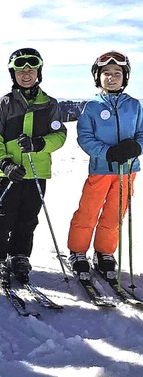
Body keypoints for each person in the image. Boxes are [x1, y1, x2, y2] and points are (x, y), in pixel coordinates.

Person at [0, 48, 66, 286]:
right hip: (9, 171)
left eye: (31, 68)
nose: (26, 73)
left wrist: (40, 143)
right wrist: (5, 162)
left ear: (39, 72)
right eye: (21, 69)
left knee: (29, 216)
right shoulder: (5, 103)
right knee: (3, 215)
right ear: (14, 73)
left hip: (37, 171)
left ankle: (19, 254)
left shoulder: (50, 105)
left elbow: (59, 135)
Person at [67, 51, 143, 278]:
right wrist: (108, 153)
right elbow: (85, 137)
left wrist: (135, 148)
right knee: (88, 211)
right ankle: (78, 251)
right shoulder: (92, 107)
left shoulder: (134, 105)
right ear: (97, 77)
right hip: (101, 169)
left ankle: (104, 253)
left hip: (127, 171)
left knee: (114, 213)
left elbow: (142, 133)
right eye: (106, 74)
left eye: (117, 73)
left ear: (125, 77)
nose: (112, 77)